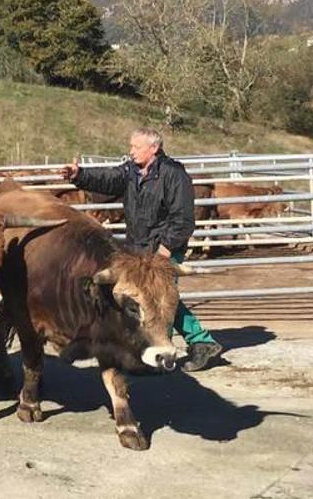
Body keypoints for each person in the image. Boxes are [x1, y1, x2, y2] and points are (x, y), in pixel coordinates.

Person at [61, 127, 224, 372]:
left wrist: (165, 250)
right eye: (131, 146)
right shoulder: (130, 171)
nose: (131, 151)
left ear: (154, 148)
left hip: (164, 249)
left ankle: (163, 355)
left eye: (136, 147)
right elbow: (107, 179)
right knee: (148, 297)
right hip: (138, 248)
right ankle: (198, 342)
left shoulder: (173, 174)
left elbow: (183, 219)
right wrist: (79, 175)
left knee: (160, 298)